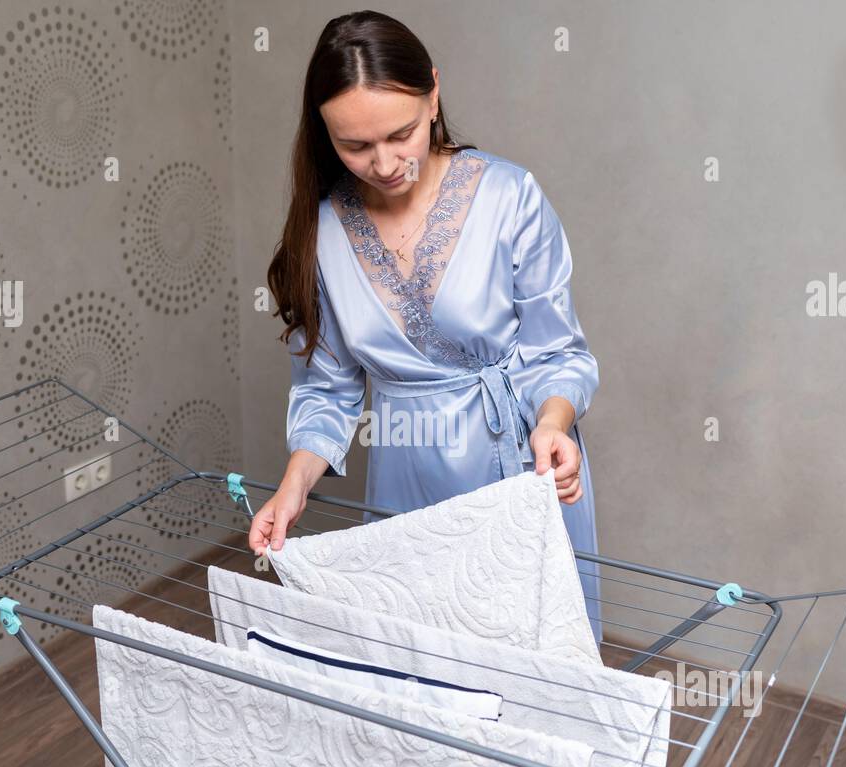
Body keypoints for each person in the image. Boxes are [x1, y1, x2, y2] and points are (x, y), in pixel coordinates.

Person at [251, 10, 603, 643]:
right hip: (404, 474)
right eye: (354, 145)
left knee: (537, 667)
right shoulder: (323, 232)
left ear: (433, 94)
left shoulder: (509, 197)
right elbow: (326, 391)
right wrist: (292, 486)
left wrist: (553, 425)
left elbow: (557, 353)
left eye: (401, 133)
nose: (384, 163)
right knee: (425, 666)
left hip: (521, 465)